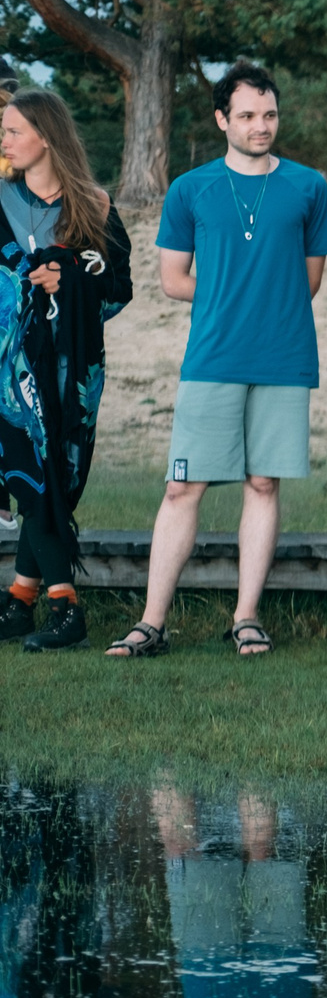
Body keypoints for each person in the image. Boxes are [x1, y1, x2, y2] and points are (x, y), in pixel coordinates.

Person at [108, 64, 327, 659]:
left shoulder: (308, 187)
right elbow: (172, 279)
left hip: (284, 357)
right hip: (212, 357)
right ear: (221, 120)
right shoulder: (190, 189)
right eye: (248, 116)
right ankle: (151, 623)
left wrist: (264, 302)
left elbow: (310, 280)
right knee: (183, 486)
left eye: (270, 114)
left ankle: (246, 617)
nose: (262, 126)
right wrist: (231, 298)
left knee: (263, 482)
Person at [0, 87, 132, 651]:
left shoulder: (94, 206)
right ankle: (65, 606)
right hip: (11, 373)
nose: (4, 141)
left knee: (60, 474)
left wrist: (69, 275)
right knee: (32, 474)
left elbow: (119, 286)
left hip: (73, 369)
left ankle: (18, 601)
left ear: (47, 137)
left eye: (13, 131)